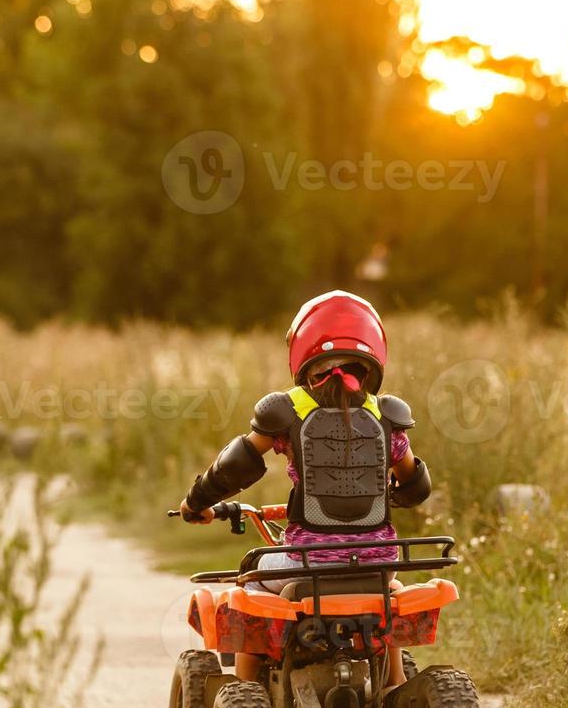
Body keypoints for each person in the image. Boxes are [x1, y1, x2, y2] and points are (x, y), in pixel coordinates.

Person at [178, 290, 433, 686]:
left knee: (252, 578)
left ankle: (247, 692)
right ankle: (397, 685)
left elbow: (236, 464)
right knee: (393, 595)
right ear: (371, 360)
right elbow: (415, 485)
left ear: (302, 355)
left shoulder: (290, 409)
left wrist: (196, 502)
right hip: (376, 566)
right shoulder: (386, 415)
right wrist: (393, 494)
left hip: (307, 563)